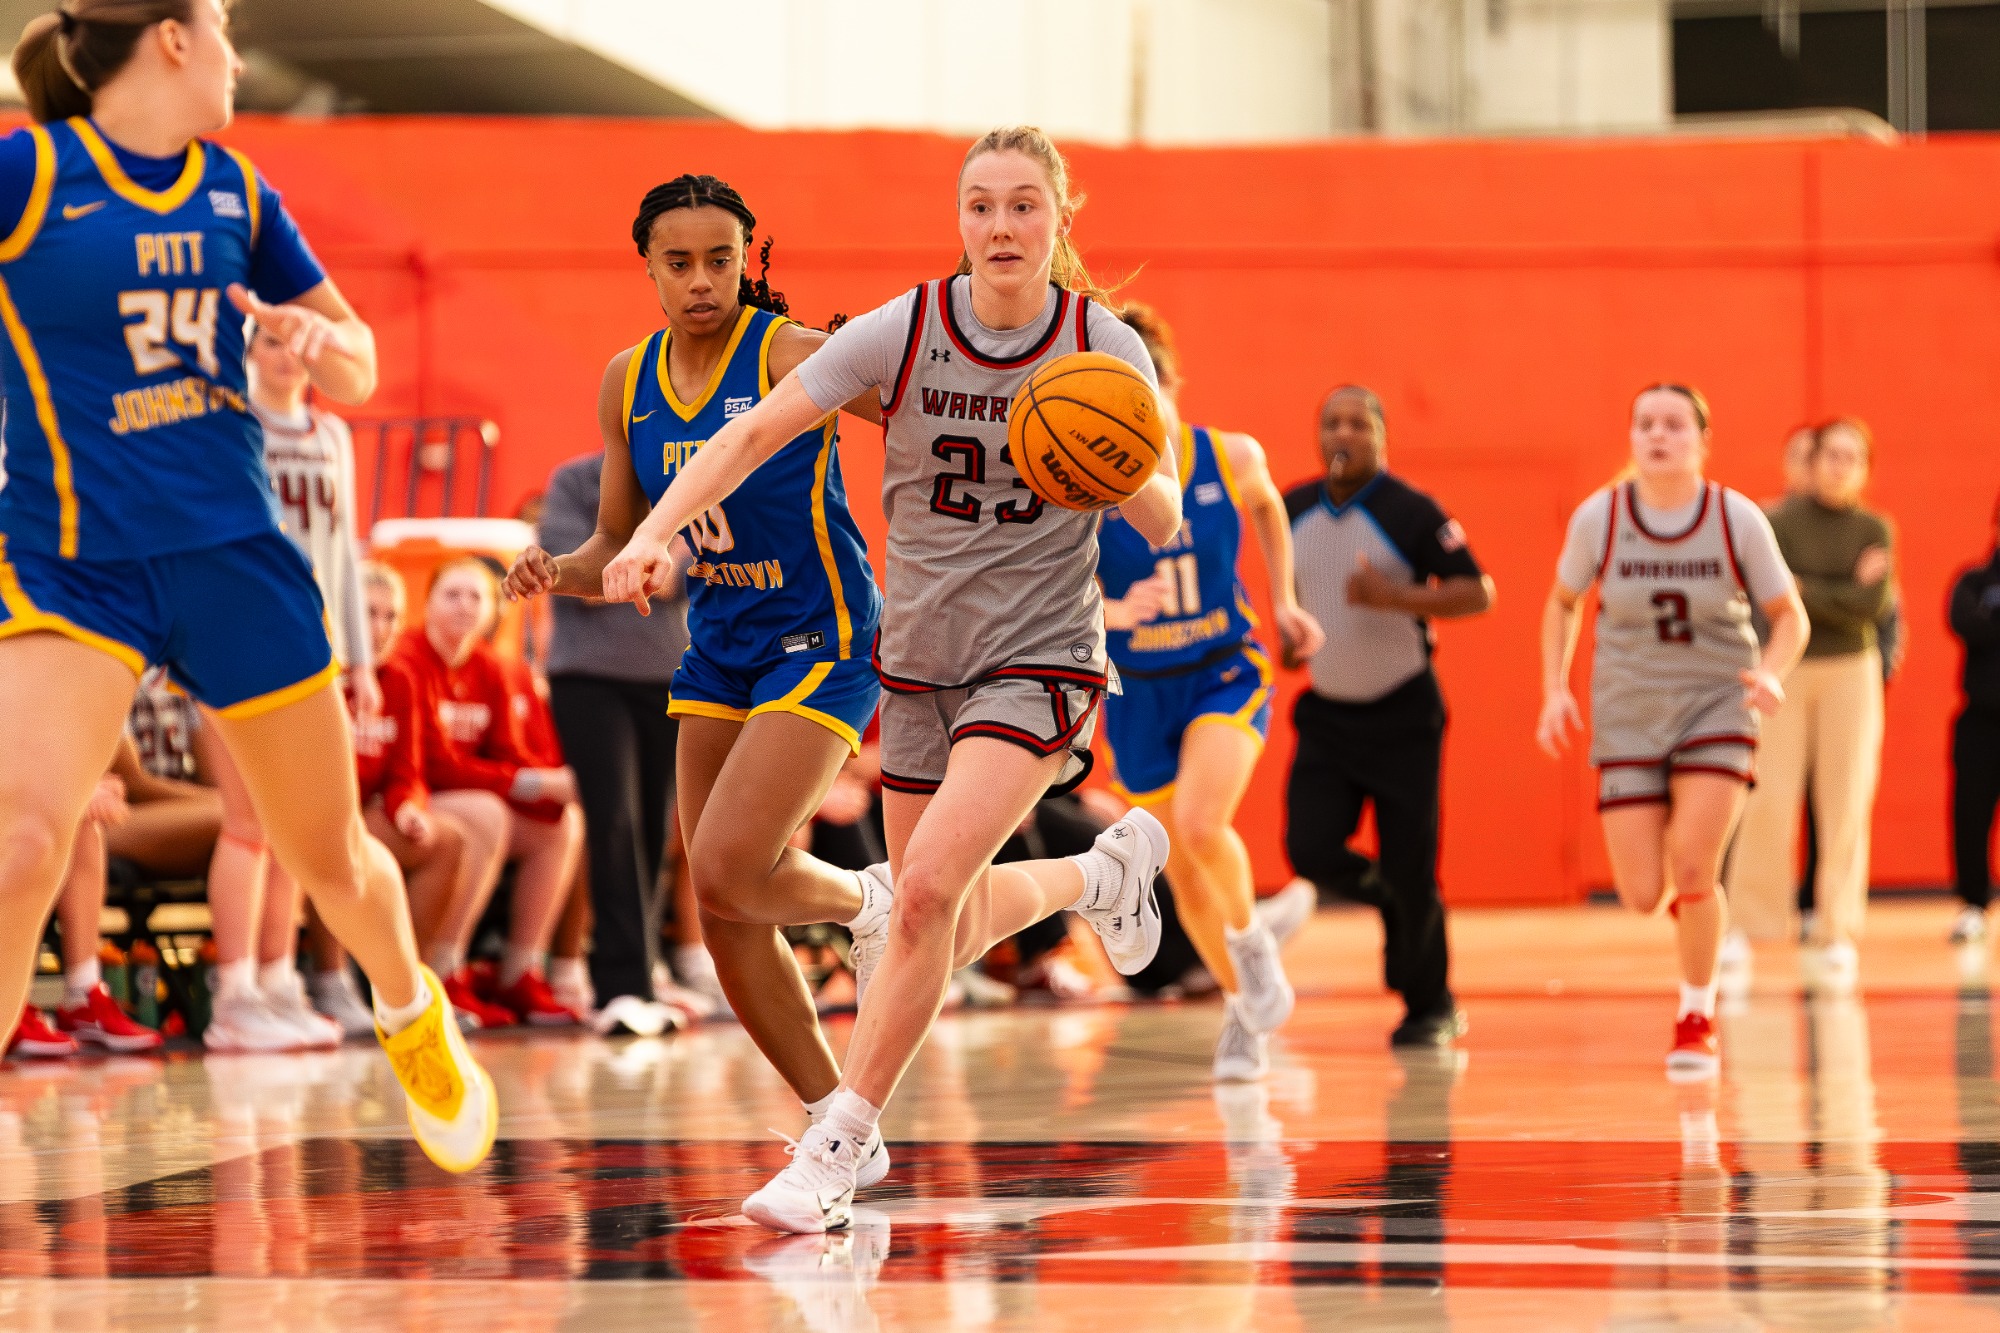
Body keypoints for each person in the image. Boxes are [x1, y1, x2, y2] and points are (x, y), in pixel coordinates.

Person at [597, 128, 1180, 1234]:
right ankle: (1097, 878)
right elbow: (756, 427)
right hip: (917, 660)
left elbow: (1158, 509)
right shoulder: (903, 330)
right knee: (942, 925)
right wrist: (654, 533)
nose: (1000, 226)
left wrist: (1116, 454)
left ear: (1057, 220)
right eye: (980, 206)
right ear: (957, 219)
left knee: (914, 898)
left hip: (1038, 659)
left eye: (1021, 206)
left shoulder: (1097, 347)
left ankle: (837, 1144)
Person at [0, 1, 492, 1171]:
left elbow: (362, 356)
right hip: (76, 565)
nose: (234, 54)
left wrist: (321, 346)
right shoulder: (27, 170)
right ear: (174, 38)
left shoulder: (237, 192)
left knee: (331, 860)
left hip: (233, 559)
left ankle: (407, 1001)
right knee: (22, 841)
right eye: (224, 28)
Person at [508, 175, 891, 1137]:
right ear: (647, 267)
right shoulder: (625, 380)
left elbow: (916, 406)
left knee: (724, 865)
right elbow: (615, 551)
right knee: (722, 912)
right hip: (718, 645)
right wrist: (553, 570)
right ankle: (836, 1121)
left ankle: (865, 902)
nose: (701, 280)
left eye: (720, 259)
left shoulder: (791, 352)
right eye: (678, 263)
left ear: (743, 258)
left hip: (823, 633)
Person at [1539, 385, 1806, 1076]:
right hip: (1629, 707)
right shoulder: (1602, 515)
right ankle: (1696, 918)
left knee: (1694, 862)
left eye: (1674, 424)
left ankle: (1696, 1013)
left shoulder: (1733, 515)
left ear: (1701, 439)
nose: (1659, 435)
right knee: (1640, 893)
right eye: (1646, 423)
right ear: (1631, 436)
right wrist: (1553, 688)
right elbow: (1562, 601)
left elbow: (1790, 614)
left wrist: (1771, 670)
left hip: (1716, 702)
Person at [1095, 303, 1324, 1080]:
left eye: (1145, 382)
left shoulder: (1228, 455)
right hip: (1136, 687)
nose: (1136, 400)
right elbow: (1044, 585)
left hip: (1224, 665)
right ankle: (1241, 1006)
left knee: (1199, 822)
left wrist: (1286, 597)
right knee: (1180, 868)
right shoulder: (1085, 476)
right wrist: (1115, 608)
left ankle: (1253, 942)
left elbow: (1267, 506)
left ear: (1170, 384)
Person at [1283, 386, 1494, 1047]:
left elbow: (1477, 591)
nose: (1342, 432)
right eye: (1330, 422)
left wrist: (1393, 596)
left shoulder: (1410, 511)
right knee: (1309, 847)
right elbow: (1287, 593)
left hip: (1404, 711)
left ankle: (1430, 1005)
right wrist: (1292, 639)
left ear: (1380, 437)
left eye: (1357, 422)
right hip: (1327, 714)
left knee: (1413, 865)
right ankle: (1386, 900)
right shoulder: (1290, 507)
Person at [1727, 418, 1893, 989]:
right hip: (1786, 666)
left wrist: (1806, 590)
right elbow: (1767, 595)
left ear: (1865, 468)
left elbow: (1869, 604)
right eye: (1830, 454)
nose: (1839, 465)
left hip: (1853, 670)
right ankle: (1747, 925)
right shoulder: (1776, 522)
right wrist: (1832, 591)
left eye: (1852, 456)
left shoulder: (1875, 527)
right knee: (1767, 794)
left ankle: (1837, 930)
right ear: (1812, 461)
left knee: (1845, 799)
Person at [395, 557, 582, 1025]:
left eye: (475, 596)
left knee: (561, 825)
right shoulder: (408, 659)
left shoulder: (490, 665)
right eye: (452, 595)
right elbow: (433, 763)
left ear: (490, 610)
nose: (464, 606)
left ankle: (520, 970)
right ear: (428, 604)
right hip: (412, 795)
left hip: (463, 796)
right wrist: (531, 782)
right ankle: (445, 966)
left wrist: (554, 786)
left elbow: (509, 749)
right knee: (487, 813)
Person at [1948, 498, 2000, 944]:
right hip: (1982, 718)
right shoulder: (1974, 580)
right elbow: (1966, 622)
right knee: (1971, 812)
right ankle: (1973, 903)